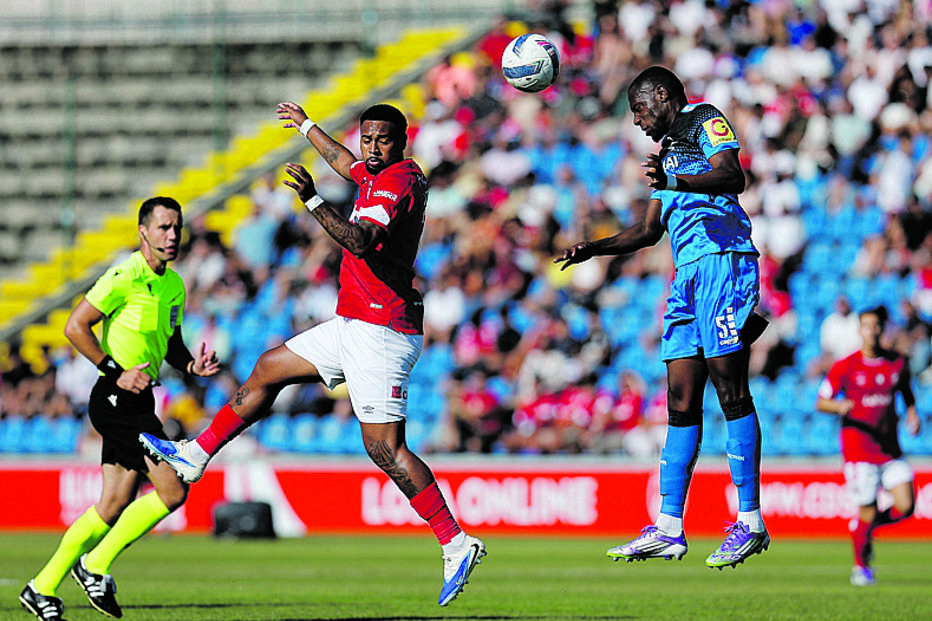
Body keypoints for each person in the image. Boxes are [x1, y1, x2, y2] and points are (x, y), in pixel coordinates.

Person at [140, 102, 486, 606]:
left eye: (382, 140)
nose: (371, 148)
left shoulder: (396, 183)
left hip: (381, 331)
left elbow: (361, 240)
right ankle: (194, 456)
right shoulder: (372, 172)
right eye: (367, 138)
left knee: (385, 450)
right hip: (354, 322)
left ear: (402, 143)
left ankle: (456, 542)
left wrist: (311, 201)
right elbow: (344, 160)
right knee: (267, 368)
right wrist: (306, 127)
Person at [555, 66, 770, 569]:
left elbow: (734, 176)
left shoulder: (704, 120)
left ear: (665, 97)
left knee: (729, 386)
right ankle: (670, 526)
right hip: (687, 274)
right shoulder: (669, 153)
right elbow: (652, 229)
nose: (635, 120)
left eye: (640, 108)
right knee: (680, 395)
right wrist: (595, 248)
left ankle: (751, 521)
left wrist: (677, 177)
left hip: (723, 258)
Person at [20, 197, 220, 621]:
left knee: (112, 504)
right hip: (114, 399)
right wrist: (116, 370)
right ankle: (94, 565)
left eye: (176, 227)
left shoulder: (174, 285)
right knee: (173, 488)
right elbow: (74, 326)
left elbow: (171, 345)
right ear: (143, 232)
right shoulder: (123, 276)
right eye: (163, 227)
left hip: (140, 401)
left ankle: (42, 587)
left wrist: (190, 365)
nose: (172, 235)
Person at [816, 305, 921, 586]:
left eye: (876, 326)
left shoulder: (897, 362)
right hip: (859, 451)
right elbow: (821, 400)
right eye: (867, 326)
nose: (872, 331)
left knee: (906, 506)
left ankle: (864, 530)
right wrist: (839, 405)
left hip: (890, 450)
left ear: (881, 329)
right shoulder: (846, 366)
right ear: (859, 329)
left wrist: (912, 412)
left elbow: (907, 392)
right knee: (868, 510)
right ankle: (860, 568)